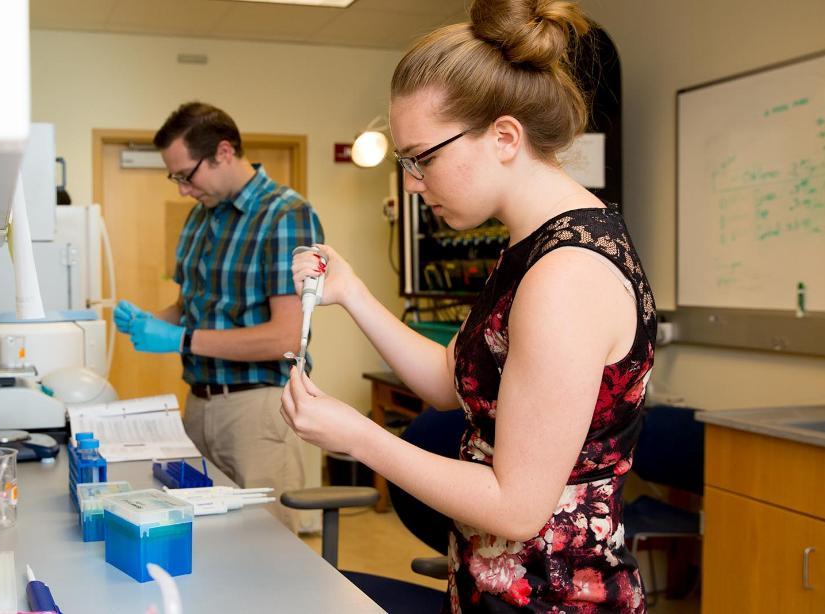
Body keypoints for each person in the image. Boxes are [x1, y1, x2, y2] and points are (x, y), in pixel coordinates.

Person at [280, 1, 654, 611]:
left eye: (421, 157)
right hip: (492, 585)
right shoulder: (528, 249)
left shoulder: (567, 274)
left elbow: (516, 505)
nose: (410, 181)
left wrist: (361, 437)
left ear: (505, 137)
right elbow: (445, 381)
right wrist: (351, 293)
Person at [114, 102, 324, 532]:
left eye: (186, 176)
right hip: (198, 405)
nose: (182, 190)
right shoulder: (199, 218)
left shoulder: (286, 215)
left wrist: (181, 339)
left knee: (267, 552)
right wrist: (150, 321)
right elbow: (191, 307)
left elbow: (288, 335)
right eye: (174, 178)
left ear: (224, 153)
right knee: (206, 544)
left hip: (257, 409)